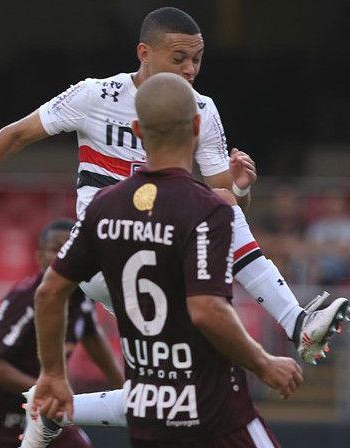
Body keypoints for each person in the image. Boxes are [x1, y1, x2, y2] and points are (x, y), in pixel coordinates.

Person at [0, 6, 350, 365]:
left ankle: (54, 411)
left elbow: (224, 205)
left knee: (175, 382)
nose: (190, 69)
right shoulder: (95, 96)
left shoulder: (203, 110)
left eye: (196, 59)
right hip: (102, 251)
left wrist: (240, 191)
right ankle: (293, 324)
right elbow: (16, 133)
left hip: (154, 245)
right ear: (144, 53)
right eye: (179, 58)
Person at [27, 73, 303, 447]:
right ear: (195, 126)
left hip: (148, 413)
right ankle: (296, 316)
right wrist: (264, 363)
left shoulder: (103, 207)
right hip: (213, 413)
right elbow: (206, 309)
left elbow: (48, 293)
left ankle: (58, 412)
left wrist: (53, 375)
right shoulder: (208, 208)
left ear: (138, 130)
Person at [0, 219, 124, 448]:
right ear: (39, 258)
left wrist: (126, 386)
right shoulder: (25, 299)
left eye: (69, 248)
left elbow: (92, 336)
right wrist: (44, 389)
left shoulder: (82, 295)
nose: (63, 255)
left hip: (47, 412)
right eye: (56, 248)